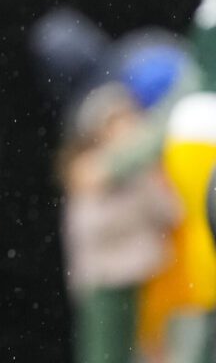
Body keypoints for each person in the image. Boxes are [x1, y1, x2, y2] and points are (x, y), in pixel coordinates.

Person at [59, 82, 180, 363]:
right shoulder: (89, 168)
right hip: (104, 282)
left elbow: (171, 213)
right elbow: (92, 228)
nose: (127, 129)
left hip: (145, 278)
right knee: (104, 354)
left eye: (129, 119)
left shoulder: (140, 169)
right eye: (117, 122)